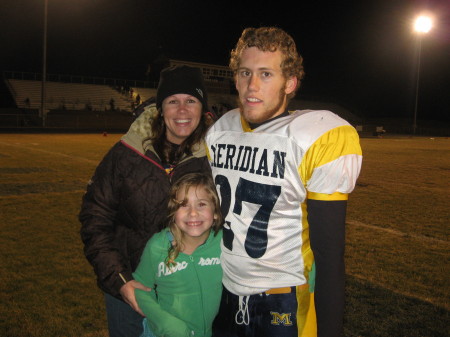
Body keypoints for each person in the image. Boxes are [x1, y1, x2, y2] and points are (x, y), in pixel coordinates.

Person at [205, 27, 363, 337]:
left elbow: (330, 256)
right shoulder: (220, 129)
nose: (252, 85)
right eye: (245, 73)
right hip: (223, 290)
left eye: (266, 74)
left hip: (281, 301)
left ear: (289, 83)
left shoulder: (314, 134)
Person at [79, 65, 212, 337]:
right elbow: (95, 221)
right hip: (130, 293)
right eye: (173, 101)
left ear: (203, 108)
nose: (182, 110)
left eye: (191, 101)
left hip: (188, 293)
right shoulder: (125, 154)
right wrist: (121, 281)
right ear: (160, 108)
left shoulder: (215, 158)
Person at [133, 172, 223, 337]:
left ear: (216, 212)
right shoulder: (158, 246)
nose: (193, 213)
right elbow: (140, 288)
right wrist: (167, 324)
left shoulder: (223, 244)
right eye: (183, 204)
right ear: (173, 212)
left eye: (201, 204)